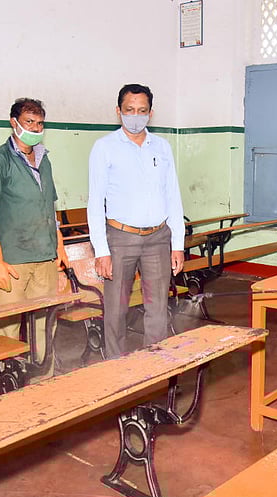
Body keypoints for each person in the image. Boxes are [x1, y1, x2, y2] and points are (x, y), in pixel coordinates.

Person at [87, 83, 185, 359]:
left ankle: (155, 365)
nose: (135, 116)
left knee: (157, 308)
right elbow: (95, 202)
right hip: (121, 239)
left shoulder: (162, 147)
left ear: (150, 113)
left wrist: (178, 244)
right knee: (116, 310)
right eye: (129, 110)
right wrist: (101, 250)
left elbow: (173, 196)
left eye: (142, 110)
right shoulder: (104, 148)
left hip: (158, 238)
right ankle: (115, 366)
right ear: (118, 111)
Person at [0, 98, 70, 380]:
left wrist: (59, 246)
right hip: (13, 260)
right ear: (14, 122)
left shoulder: (44, 159)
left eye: (40, 123)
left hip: (45, 257)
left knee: (45, 324)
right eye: (29, 122)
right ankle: (10, 380)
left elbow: (49, 207)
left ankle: (43, 380)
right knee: (9, 327)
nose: (35, 128)